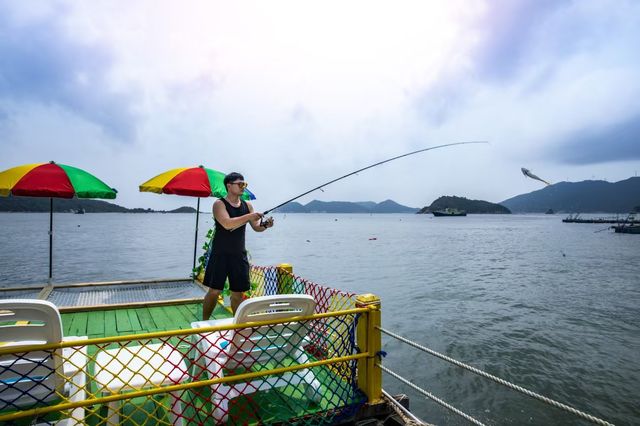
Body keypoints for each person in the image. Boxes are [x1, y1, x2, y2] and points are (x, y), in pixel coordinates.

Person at [202, 172, 274, 320]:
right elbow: (227, 224)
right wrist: (249, 216)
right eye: (240, 184)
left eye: (245, 184)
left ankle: (237, 326)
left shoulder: (247, 205)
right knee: (214, 291)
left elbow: (256, 227)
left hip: (238, 255)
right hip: (220, 254)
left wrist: (266, 225)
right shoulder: (219, 204)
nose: (243, 187)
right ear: (229, 186)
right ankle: (204, 322)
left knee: (237, 293)